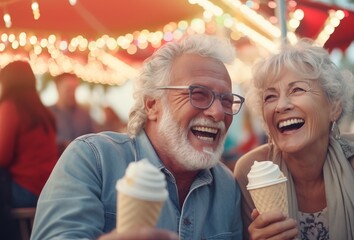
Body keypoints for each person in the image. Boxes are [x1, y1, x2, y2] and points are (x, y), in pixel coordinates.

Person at [31, 34, 244, 239]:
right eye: (198, 94)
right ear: (152, 105)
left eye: (226, 101)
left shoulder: (226, 186)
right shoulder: (93, 159)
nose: (218, 112)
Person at [233, 39, 354, 239]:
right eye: (270, 97)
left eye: (297, 90)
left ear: (334, 107)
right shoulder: (249, 171)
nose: (281, 106)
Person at [0, 60, 58, 208]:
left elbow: (3, 157)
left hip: (26, 190)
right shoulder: (41, 110)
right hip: (49, 190)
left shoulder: (10, 107)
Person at [49, 72, 95, 156]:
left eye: (74, 89)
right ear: (57, 88)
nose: (72, 94)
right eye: (68, 89)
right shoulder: (48, 114)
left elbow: (93, 140)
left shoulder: (84, 114)